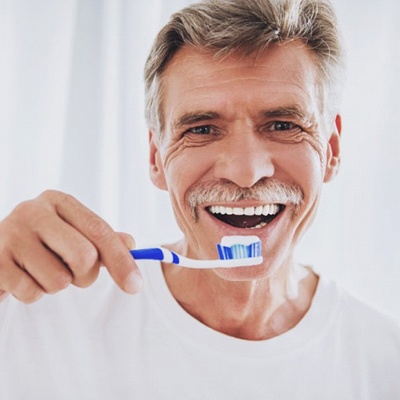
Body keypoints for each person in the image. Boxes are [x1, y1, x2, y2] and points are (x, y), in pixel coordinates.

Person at [1, 0, 399, 398]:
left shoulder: (384, 364)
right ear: (156, 157)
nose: (245, 171)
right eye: (203, 129)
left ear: (330, 149)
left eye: (282, 125)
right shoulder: (36, 315)